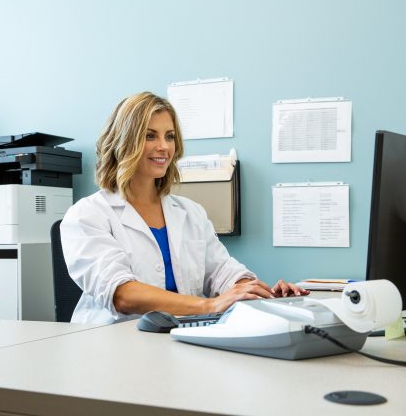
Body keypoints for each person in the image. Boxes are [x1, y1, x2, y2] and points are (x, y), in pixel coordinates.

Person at [61, 92, 308, 324]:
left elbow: (221, 270)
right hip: (113, 345)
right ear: (124, 142)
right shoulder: (87, 215)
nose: (164, 147)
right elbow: (122, 295)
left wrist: (254, 291)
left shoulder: (191, 212)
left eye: (169, 136)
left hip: (181, 338)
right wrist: (210, 306)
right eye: (150, 136)